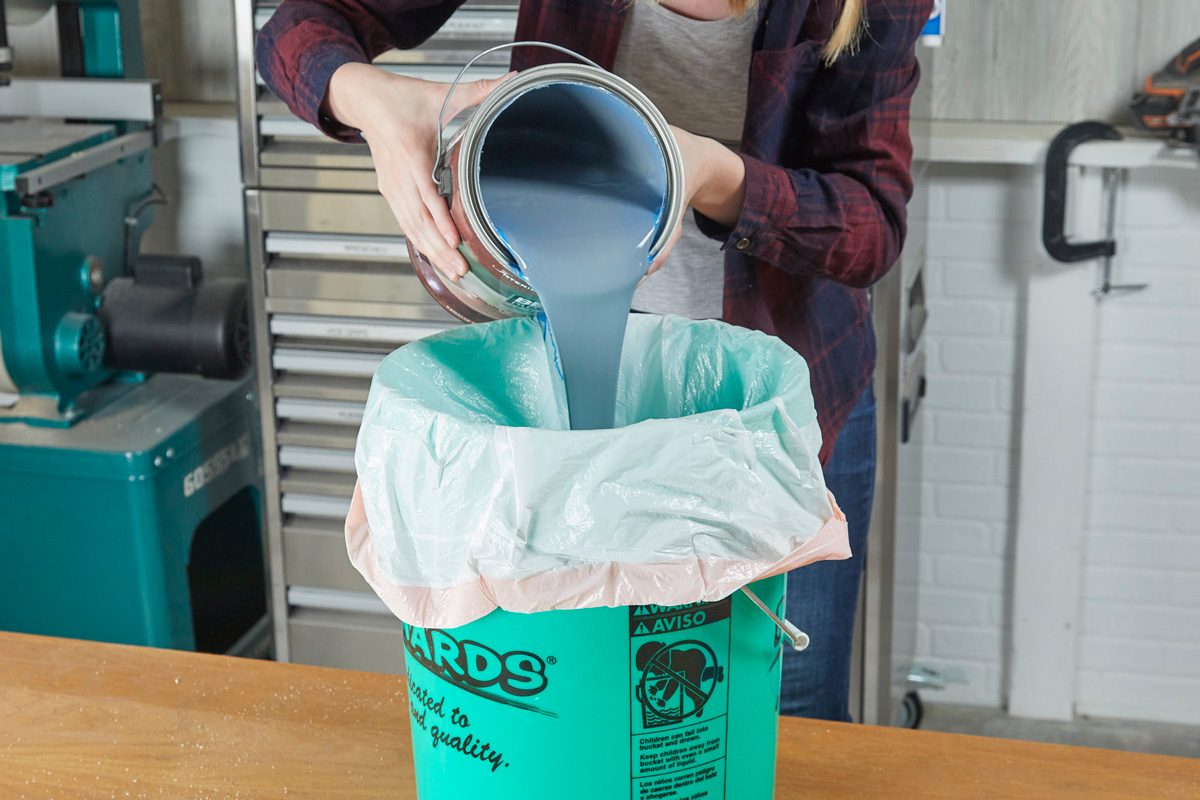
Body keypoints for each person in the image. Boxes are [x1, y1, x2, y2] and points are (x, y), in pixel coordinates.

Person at [258, 0, 931, 722]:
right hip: (557, 424)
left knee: (782, 712)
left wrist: (710, 174)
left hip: (776, 425)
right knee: (579, 707)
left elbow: (872, 221)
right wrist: (373, 105)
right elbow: (301, 29)